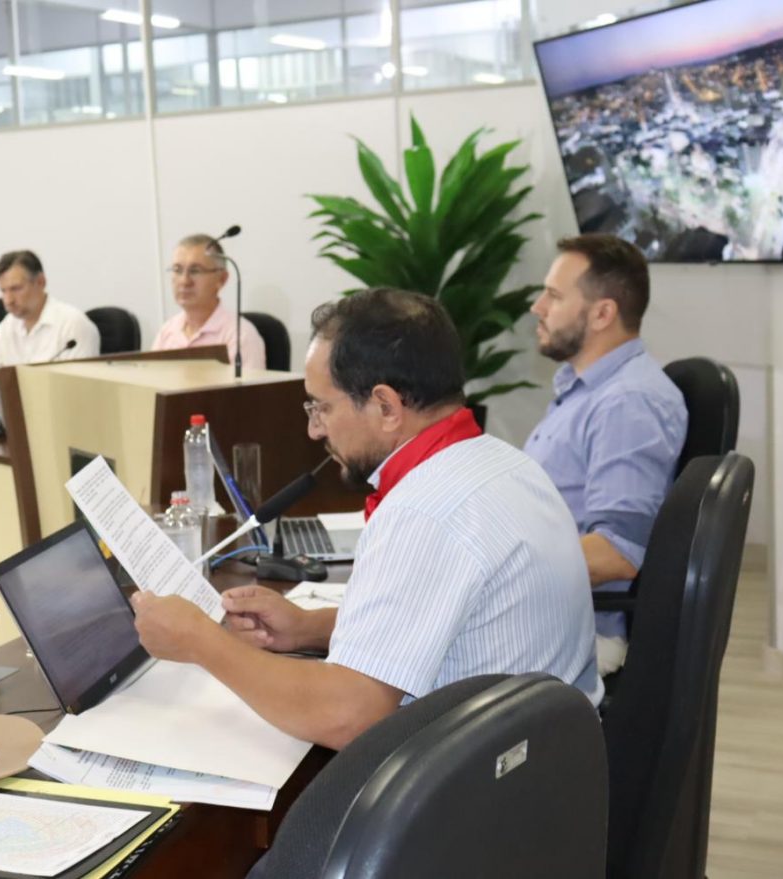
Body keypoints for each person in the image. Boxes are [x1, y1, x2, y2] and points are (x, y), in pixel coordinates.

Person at [131, 288, 601, 751]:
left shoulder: (423, 510)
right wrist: (308, 627)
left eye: (322, 406)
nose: (314, 428)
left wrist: (199, 640)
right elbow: (441, 617)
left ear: (385, 406)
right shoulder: (503, 463)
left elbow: (348, 715)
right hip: (548, 767)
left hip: (484, 795)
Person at [523, 234, 688, 677]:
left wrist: (497, 572)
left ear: (602, 313)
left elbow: (617, 553)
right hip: (548, 615)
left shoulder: (628, 402)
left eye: (554, 296)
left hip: (574, 629)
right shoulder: (586, 392)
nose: (538, 307)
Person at [151, 234, 266, 370]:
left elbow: (250, 391)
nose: (184, 281)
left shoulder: (240, 335)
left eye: (195, 270)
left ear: (222, 279)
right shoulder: (167, 331)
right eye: (177, 270)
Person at [0, 250, 100, 371]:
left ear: (40, 282)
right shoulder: (7, 325)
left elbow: (79, 386)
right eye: (3, 291)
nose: (8, 300)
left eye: (15, 289)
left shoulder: (72, 325)